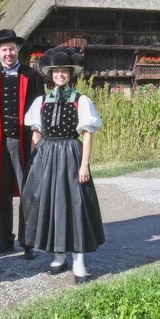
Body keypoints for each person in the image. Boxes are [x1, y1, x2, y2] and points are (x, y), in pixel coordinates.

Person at [22, 46, 105, 284]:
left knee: (74, 205)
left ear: (70, 74)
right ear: (50, 74)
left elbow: (87, 134)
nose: (60, 75)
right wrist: (33, 161)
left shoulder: (81, 100)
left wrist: (84, 166)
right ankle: (59, 256)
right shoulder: (41, 101)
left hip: (70, 153)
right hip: (46, 155)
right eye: (56, 71)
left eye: (64, 72)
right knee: (50, 203)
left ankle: (79, 262)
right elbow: (36, 134)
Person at [0, 29, 45, 259]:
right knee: (1, 191)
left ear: (18, 50)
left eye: (12, 49)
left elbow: (40, 112)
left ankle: (28, 242)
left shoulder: (33, 77)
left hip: (24, 142)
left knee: (28, 190)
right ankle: (5, 240)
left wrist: (40, 140)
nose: (8, 53)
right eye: (4, 49)